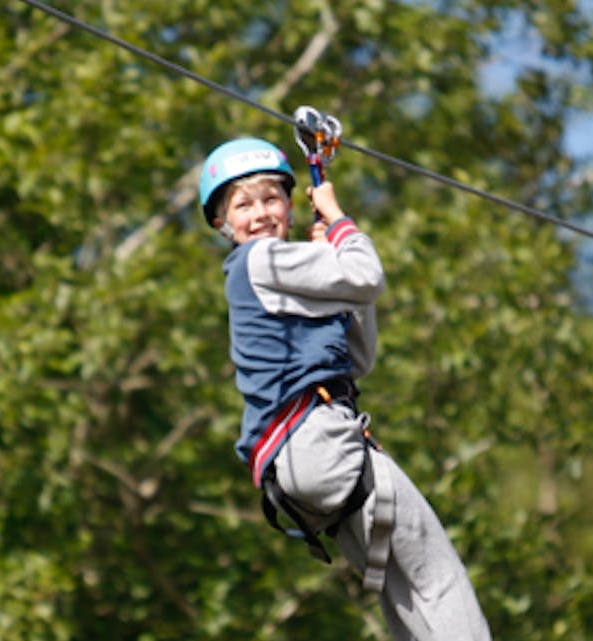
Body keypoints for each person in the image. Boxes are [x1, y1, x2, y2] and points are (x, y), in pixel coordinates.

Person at [198, 137, 492, 641]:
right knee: (439, 577)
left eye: (271, 199)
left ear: (288, 207)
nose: (261, 213)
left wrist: (336, 275)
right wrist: (338, 219)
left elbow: (358, 356)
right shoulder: (259, 261)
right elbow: (370, 274)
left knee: (403, 590)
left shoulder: (276, 278)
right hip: (317, 440)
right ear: (223, 224)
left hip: (301, 468)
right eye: (243, 205)